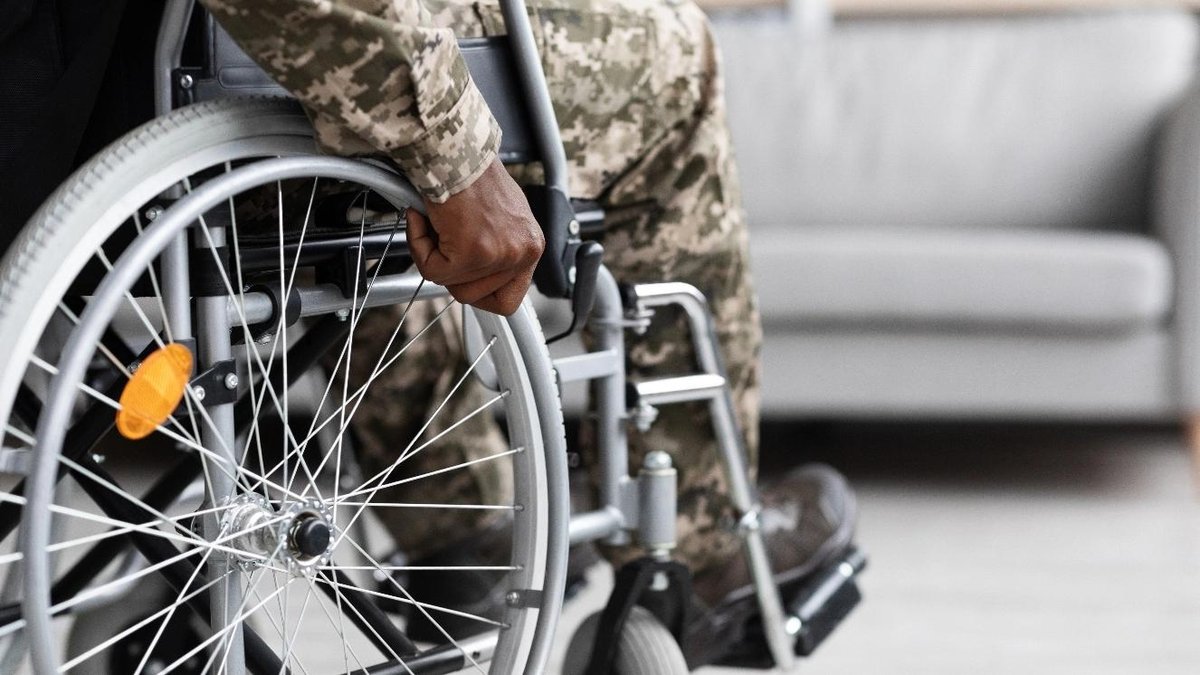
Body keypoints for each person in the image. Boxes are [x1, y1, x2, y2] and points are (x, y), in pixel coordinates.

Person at [200, 0, 856, 662]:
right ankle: (698, 542)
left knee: (369, 215)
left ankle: (467, 522)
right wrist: (457, 154)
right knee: (679, 57)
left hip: (128, 101)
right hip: (261, 64)